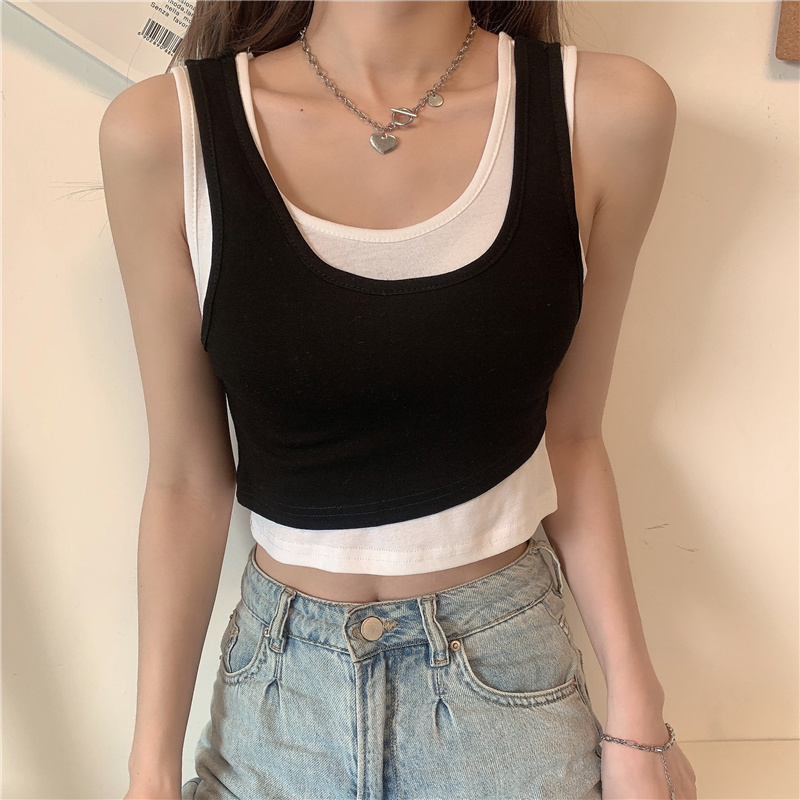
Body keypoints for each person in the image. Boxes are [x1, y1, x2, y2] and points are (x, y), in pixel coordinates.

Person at [99, 1, 697, 798]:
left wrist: (638, 716)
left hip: (504, 699)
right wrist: (149, 773)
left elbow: (573, 438)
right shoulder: (162, 132)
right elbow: (185, 482)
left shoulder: (606, 113)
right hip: (279, 709)